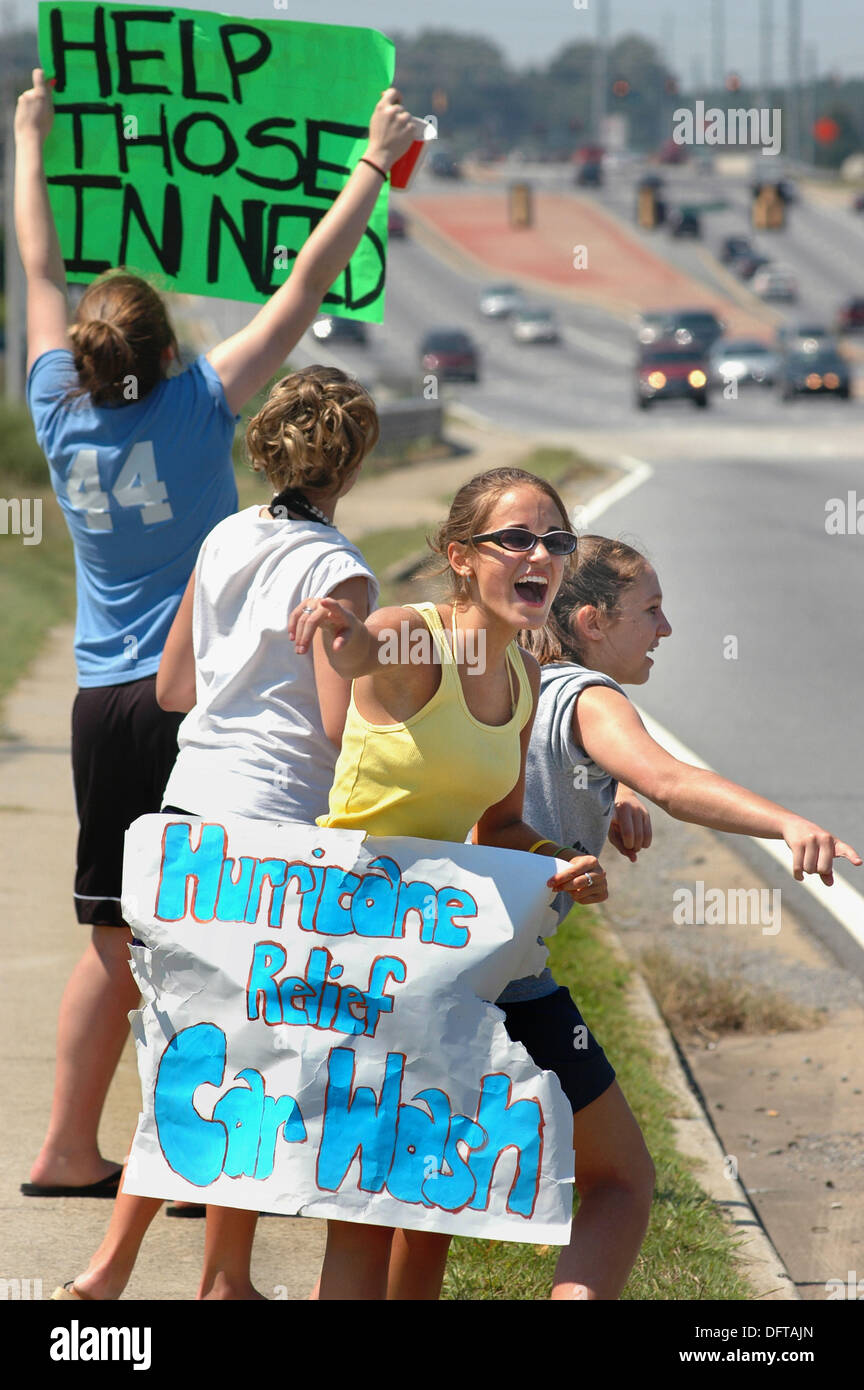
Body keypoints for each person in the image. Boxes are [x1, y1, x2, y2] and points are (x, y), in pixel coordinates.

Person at [16, 64, 415, 1205]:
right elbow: (306, 284)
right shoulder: (199, 409)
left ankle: (64, 1146)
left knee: (111, 932)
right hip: (188, 706)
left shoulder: (54, 409)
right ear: (167, 348)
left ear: (90, 354)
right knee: (211, 934)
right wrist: (373, 162)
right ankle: (195, 1154)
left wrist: (27, 136)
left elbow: (37, 267)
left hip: (99, 702)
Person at [389, 534, 861, 1300]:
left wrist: (614, 789)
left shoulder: (512, 674)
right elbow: (671, 779)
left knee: (425, 1193)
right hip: (504, 982)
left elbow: (552, 768)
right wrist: (786, 825)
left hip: (419, 958)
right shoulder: (592, 698)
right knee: (620, 1183)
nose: (667, 629)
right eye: (652, 610)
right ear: (594, 624)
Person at [53, 365, 384, 1301]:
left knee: (188, 1047)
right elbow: (333, 724)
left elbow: (171, 691)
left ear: (267, 447)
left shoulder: (225, 535)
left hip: (190, 812)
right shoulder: (338, 569)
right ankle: (215, 1279)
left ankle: (133, 1271)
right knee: (259, 1061)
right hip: (276, 826)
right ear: (351, 464)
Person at [289, 466, 610, 1300]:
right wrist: (340, 629)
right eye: (515, 539)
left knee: (435, 1199)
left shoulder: (525, 675)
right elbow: (367, 647)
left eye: (555, 541)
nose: (539, 555)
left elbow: (499, 827)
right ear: (461, 556)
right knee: (362, 1201)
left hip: (439, 957)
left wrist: (555, 859)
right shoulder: (416, 636)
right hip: (354, 946)